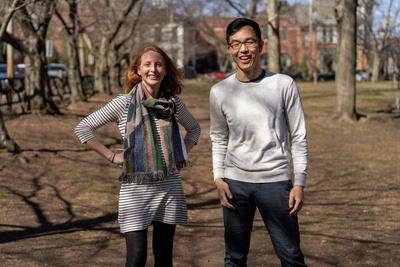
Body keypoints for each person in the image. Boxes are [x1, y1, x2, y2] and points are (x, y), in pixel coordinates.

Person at [75, 45, 201, 267]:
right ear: (138, 70)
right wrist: (111, 156)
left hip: (169, 187)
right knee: (136, 259)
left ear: (165, 70)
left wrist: (179, 154)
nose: (154, 69)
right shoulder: (124, 103)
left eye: (159, 64)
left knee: (164, 259)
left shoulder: (173, 104)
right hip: (136, 190)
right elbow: (83, 128)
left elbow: (194, 129)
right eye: (148, 64)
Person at [209, 18, 308, 267]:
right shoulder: (220, 91)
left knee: (291, 257)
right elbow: (219, 137)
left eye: (249, 42)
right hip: (235, 184)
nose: (243, 49)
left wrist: (300, 183)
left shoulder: (283, 84)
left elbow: (298, 136)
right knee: (234, 258)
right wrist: (218, 178)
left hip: (275, 181)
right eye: (236, 44)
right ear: (229, 49)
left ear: (260, 45)